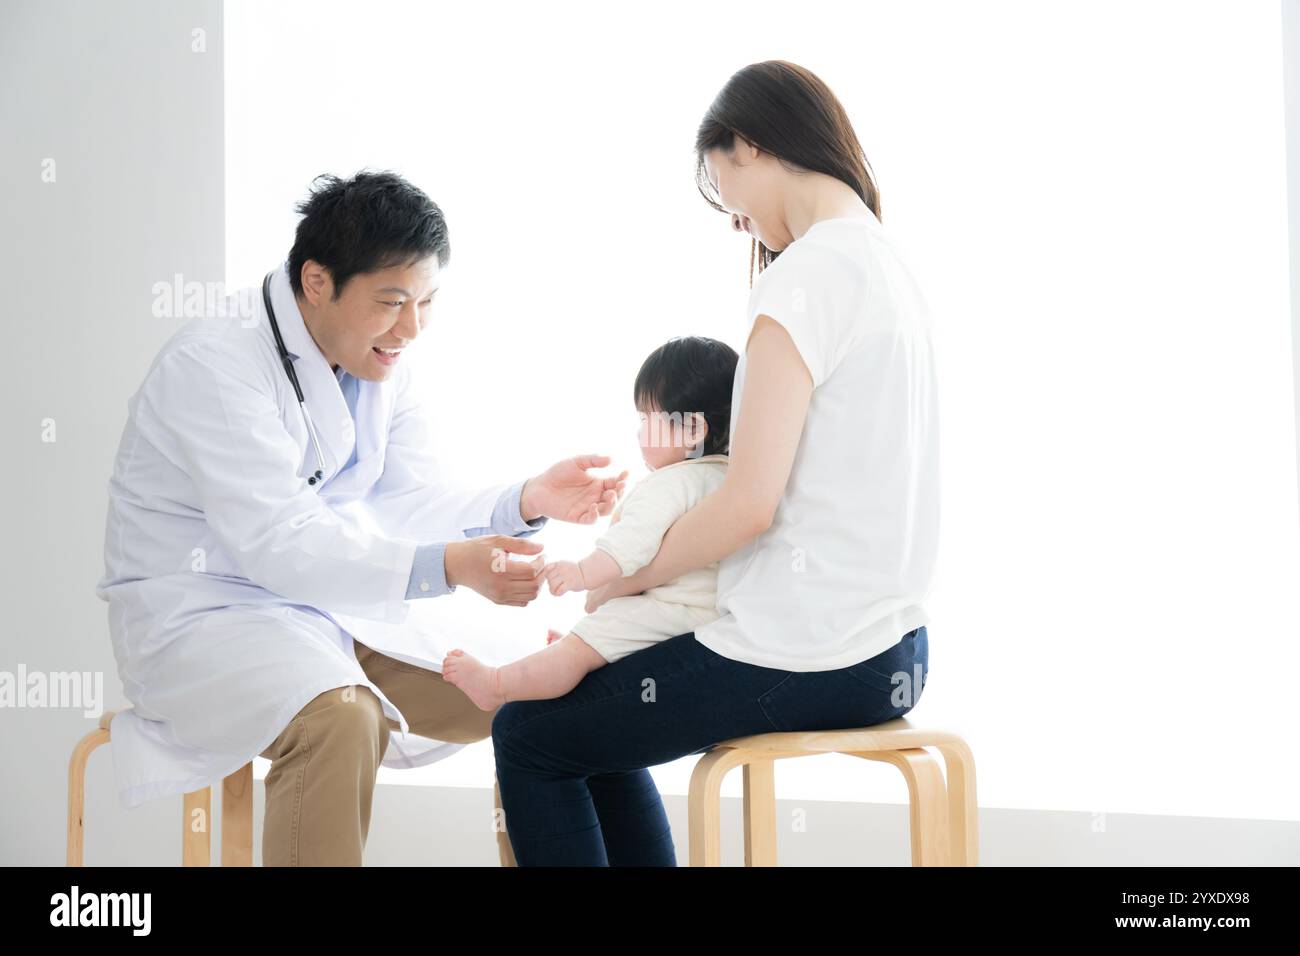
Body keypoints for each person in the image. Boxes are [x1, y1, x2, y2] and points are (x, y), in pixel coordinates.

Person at [96, 169, 627, 865]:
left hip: (326, 609)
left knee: (554, 691)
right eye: (392, 302)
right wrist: (449, 567)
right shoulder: (215, 365)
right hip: (201, 617)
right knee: (341, 718)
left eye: (427, 302)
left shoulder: (377, 361)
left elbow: (406, 502)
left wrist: (524, 499)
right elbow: (277, 544)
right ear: (317, 282)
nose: (411, 328)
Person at [491, 60, 940, 865]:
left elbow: (747, 505)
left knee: (531, 734)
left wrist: (617, 579)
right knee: (594, 729)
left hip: (810, 651)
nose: (733, 217)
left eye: (721, 183)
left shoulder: (806, 276)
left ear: (750, 146)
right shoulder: (887, 264)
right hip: (895, 647)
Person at [442, 336, 738, 708]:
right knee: (594, 639)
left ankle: (498, 684)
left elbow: (630, 548)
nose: (639, 432)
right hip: (707, 620)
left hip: (671, 614)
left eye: (648, 420)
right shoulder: (732, 479)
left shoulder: (670, 482)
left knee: (578, 651)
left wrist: (581, 573)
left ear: (693, 430)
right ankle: (571, 656)